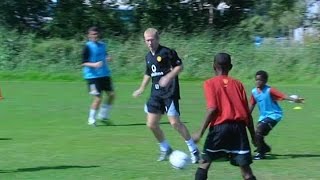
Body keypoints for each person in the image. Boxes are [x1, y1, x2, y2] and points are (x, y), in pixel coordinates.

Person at [132, 28, 200, 163]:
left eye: (151, 40)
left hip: (170, 92)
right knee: (151, 124)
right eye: (147, 40)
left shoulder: (167, 52)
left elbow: (179, 67)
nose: (149, 43)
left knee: (175, 123)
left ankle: (194, 150)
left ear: (157, 39)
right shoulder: (148, 56)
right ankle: (165, 148)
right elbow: (148, 73)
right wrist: (141, 88)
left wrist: (169, 77)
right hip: (155, 94)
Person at [192, 53, 256, 180]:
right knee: (246, 170)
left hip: (219, 128)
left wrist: (200, 132)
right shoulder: (238, 84)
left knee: (204, 163)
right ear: (230, 67)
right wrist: (254, 136)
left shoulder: (210, 83)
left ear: (213, 66)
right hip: (239, 129)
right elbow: (247, 114)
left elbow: (212, 109)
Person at [249, 70, 304, 160]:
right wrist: (246, 115)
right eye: (256, 80)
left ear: (265, 81)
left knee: (259, 132)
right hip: (263, 116)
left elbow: (283, 96)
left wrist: (295, 100)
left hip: (274, 115)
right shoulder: (254, 92)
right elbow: (251, 104)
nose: (258, 82)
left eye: (260, 80)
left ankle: (261, 152)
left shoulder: (270, 90)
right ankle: (265, 148)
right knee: (256, 136)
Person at [82, 26, 115, 126]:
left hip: (105, 75)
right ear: (89, 35)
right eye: (92, 34)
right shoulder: (87, 47)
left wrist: (108, 58)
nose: (94, 36)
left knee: (111, 95)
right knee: (98, 98)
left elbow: (105, 55)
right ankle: (91, 119)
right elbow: (83, 63)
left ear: (99, 35)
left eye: (96, 34)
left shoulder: (102, 45)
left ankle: (103, 115)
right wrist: (94, 65)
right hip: (92, 76)